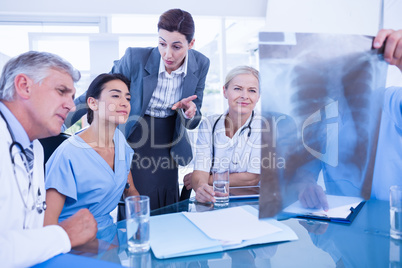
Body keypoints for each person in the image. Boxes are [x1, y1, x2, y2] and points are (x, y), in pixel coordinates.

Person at [66, 9, 210, 210]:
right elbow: (100, 89)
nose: (168, 53)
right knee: (137, 195)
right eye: (162, 43)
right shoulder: (136, 57)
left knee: (167, 197)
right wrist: (62, 118)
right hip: (135, 134)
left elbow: (194, 120)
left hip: (170, 139)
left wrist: (190, 112)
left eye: (177, 46)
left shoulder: (201, 64)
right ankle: (136, 237)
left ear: (191, 44)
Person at [0, 51, 97, 267]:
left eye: (72, 97)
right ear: (24, 85)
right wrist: (63, 235)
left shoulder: (35, 147)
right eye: (62, 91)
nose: (71, 107)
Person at [297, 29, 402, 210]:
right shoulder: (321, 119)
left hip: (393, 222)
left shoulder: (389, 100)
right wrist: (305, 184)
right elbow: (308, 166)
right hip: (343, 225)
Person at [44, 73, 139, 229]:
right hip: (71, 239)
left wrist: (140, 218)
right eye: (116, 96)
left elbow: (130, 189)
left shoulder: (119, 140)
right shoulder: (69, 154)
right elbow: (48, 223)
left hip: (108, 233)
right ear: (93, 103)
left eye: (128, 98)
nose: (125, 103)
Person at [190, 66, 262, 203]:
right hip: (215, 202)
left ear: (258, 96)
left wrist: (209, 179)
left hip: (253, 204)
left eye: (252, 90)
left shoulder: (264, 127)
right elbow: (200, 171)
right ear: (224, 91)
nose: (244, 96)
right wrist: (201, 187)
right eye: (237, 88)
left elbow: (252, 178)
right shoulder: (209, 124)